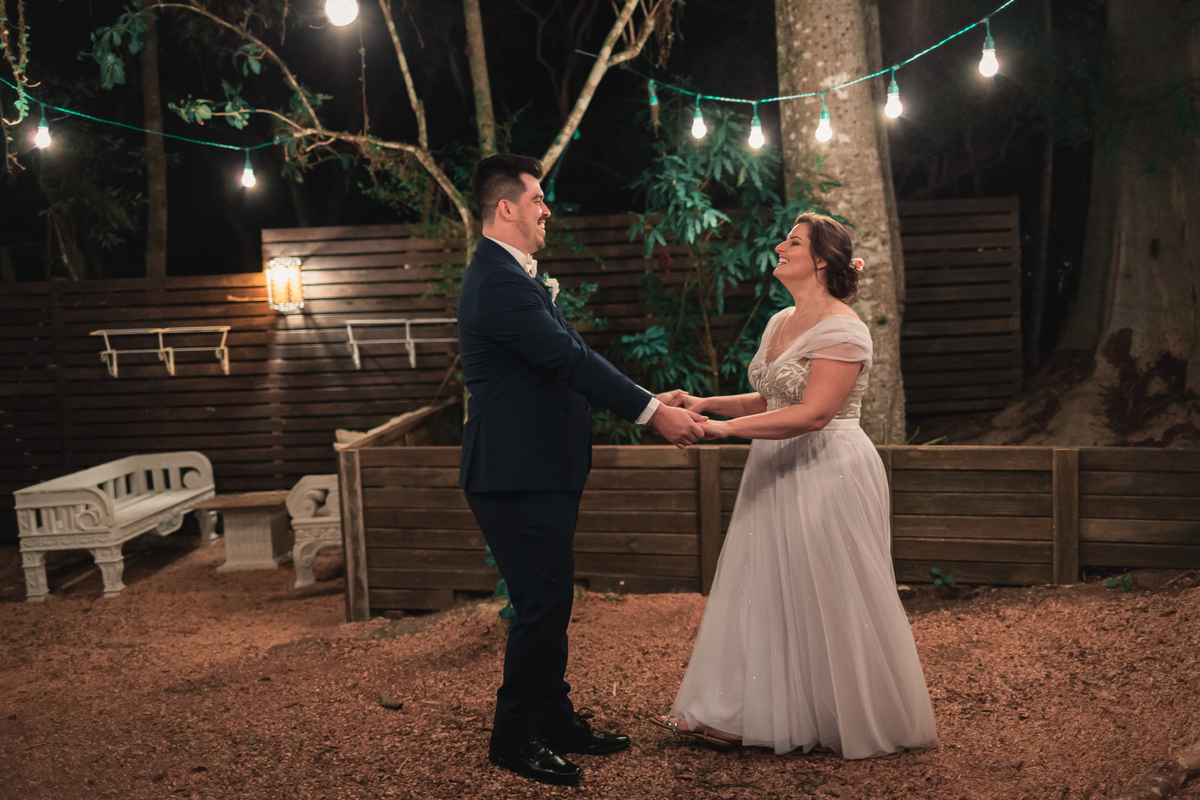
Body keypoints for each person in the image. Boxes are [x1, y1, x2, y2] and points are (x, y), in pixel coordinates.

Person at [457, 154, 708, 786]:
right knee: (542, 603)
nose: (547, 210)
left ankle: (554, 717)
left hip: (537, 468)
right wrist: (652, 413)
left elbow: (571, 354)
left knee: (550, 600)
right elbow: (569, 361)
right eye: (538, 199)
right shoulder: (497, 281)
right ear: (506, 208)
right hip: (515, 473)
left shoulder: (513, 276)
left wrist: (648, 396)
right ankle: (514, 736)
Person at [653, 212, 938, 758]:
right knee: (765, 584)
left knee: (827, 588)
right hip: (774, 464)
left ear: (822, 260)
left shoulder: (844, 329)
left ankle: (847, 713)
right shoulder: (780, 320)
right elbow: (770, 398)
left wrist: (720, 431)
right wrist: (703, 402)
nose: (779, 247)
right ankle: (746, 711)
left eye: (793, 241)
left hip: (828, 466)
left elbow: (813, 413)